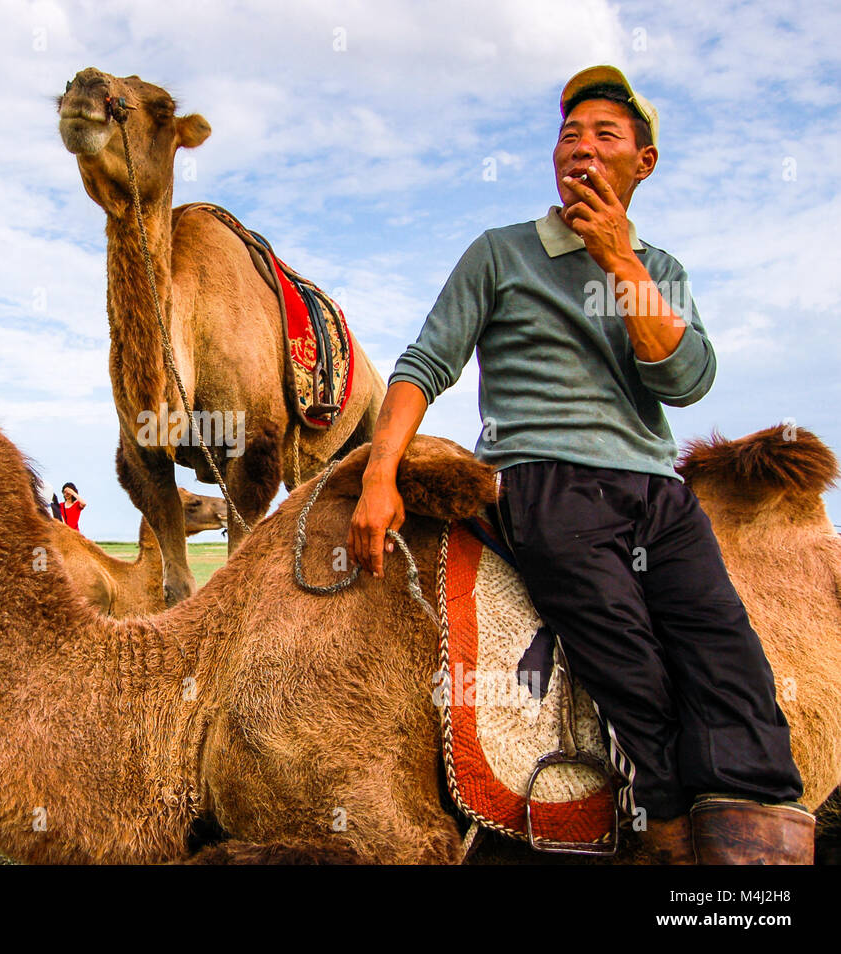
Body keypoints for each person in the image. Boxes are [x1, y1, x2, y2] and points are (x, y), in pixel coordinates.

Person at [347, 66, 812, 864]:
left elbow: (689, 379)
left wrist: (617, 259)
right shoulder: (500, 254)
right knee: (630, 666)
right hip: (545, 481)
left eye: (605, 136)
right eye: (569, 135)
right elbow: (424, 362)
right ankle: (664, 835)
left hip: (659, 494)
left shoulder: (660, 271)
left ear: (644, 163)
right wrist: (379, 472)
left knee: (732, 665)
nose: (582, 149)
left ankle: (751, 881)